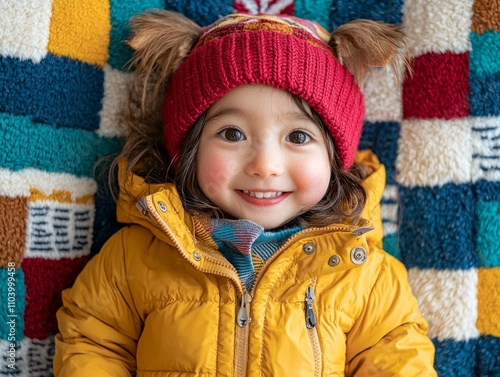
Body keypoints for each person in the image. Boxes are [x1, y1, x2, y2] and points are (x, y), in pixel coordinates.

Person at [54, 10, 437, 376]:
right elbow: (93, 343)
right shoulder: (136, 257)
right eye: (232, 134)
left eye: (298, 136)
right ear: (189, 150)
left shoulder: (363, 273)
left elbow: (399, 361)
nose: (265, 164)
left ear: (335, 160)